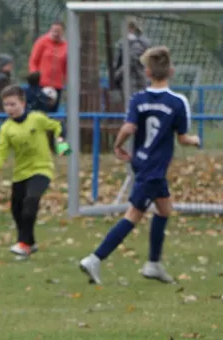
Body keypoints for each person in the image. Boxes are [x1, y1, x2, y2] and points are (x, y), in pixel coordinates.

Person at [79, 46, 200, 285]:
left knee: (164, 210)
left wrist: (118, 145)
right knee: (133, 215)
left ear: (147, 72)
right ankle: (95, 258)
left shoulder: (138, 99)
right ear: (171, 71)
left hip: (142, 163)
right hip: (154, 168)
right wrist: (195, 140)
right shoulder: (178, 102)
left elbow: (129, 128)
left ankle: (154, 264)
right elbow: (183, 138)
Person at [0, 85, 71, 258]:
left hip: (41, 169)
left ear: (23, 103)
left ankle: (22, 243)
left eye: (13, 104)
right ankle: (30, 243)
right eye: (6, 105)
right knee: (17, 210)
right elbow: (1, 152)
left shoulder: (36, 118)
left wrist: (61, 141)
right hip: (20, 173)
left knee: (31, 201)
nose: (9, 109)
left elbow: (57, 125)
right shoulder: (6, 128)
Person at [28, 21, 67, 113]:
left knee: (53, 111)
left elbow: (66, 65)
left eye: (58, 31)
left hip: (57, 85)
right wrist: (34, 76)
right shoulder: (42, 42)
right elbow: (33, 60)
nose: (55, 33)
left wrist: (66, 80)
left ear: (62, 32)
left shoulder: (66, 46)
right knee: (39, 110)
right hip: (41, 84)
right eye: (53, 30)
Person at [114, 18, 151, 97]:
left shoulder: (138, 44)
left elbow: (130, 62)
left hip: (135, 82)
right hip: (129, 82)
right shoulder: (124, 43)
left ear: (130, 28)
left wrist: (117, 75)